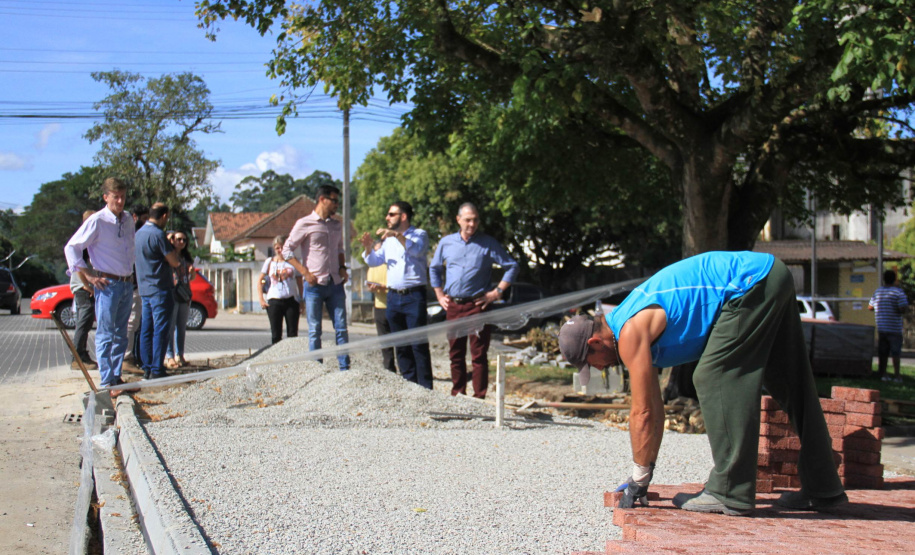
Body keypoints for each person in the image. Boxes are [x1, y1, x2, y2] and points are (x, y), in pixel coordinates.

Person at [558, 251, 846, 516]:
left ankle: (730, 490)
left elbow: (642, 413)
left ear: (596, 342)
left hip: (749, 285)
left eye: (590, 362)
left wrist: (638, 476)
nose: (597, 368)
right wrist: (643, 475)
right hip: (770, 275)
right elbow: (655, 410)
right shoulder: (628, 321)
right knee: (790, 381)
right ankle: (824, 488)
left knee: (712, 374)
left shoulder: (630, 332)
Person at [430, 203, 519, 398]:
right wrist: (438, 294)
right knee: (456, 354)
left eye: (475, 220)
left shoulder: (488, 243)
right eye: (468, 220)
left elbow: (511, 266)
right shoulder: (446, 243)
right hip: (453, 305)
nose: (472, 224)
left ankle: (479, 397)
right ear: (458, 220)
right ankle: (458, 394)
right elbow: (434, 268)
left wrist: (497, 292)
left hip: (477, 305)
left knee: (478, 355)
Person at [63, 177, 135, 389]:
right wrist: (89, 276)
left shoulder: (128, 219)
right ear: (106, 197)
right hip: (108, 283)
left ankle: (116, 375)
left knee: (121, 334)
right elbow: (72, 247)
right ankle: (106, 381)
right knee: (106, 332)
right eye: (115, 197)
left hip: (126, 282)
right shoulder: (97, 220)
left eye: (122, 197)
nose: (120, 201)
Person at [360, 201, 433, 389]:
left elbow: (416, 250)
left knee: (418, 344)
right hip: (393, 298)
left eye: (391, 214)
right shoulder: (388, 241)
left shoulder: (420, 235)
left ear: (403, 216)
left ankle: (425, 390)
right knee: (400, 346)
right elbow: (375, 261)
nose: (387, 218)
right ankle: (409, 387)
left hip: (413, 297)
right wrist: (368, 247)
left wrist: (398, 236)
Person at [282, 185, 350, 370]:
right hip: (314, 285)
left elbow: (340, 249)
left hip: (335, 283)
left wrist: (343, 267)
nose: (337, 205)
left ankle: (344, 369)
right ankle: (316, 370)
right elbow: (287, 250)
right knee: (314, 330)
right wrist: (304, 272)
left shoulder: (336, 225)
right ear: (322, 199)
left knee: (342, 328)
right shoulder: (305, 223)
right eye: (334, 200)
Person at [135, 203, 180, 380]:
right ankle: (157, 368)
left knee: (146, 328)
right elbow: (174, 261)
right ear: (163, 216)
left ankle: (146, 366)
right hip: (159, 287)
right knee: (161, 329)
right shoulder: (158, 235)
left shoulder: (138, 234)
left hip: (144, 287)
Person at [259, 235, 303, 345]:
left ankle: (292, 357)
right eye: (278, 248)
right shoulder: (269, 262)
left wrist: (301, 299)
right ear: (274, 249)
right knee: (276, 334)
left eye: (282, 247)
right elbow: (260, 281)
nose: (280, 250)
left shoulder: (293, 262)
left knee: (292, 334)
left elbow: (299, 281)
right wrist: (261, 300)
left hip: (291, 300)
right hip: (274, 300)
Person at [69, 210, 98, 371]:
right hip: (82, 286)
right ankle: (77, 357)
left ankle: (81, 353)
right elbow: (78, 264)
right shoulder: (82, 241)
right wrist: (87, 285)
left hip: (85, 285)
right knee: (84, 321)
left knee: (85, 322)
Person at [869, 269, 909, 383]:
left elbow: (870, 307)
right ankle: (897, 376)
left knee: (883, 353)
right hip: (894, 328)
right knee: (895, 353)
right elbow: (902, 308)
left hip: (882, 327)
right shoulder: (898, 292)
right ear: (894, 279)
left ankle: (883, 375)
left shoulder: (878, 292)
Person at [123, 203, 149, 373]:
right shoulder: (132, 236)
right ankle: (126, 357)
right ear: (135, 217)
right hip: (132, 285)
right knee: (131, 322)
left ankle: (131, 356)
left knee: (135, 322)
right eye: (144, 218)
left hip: (135, 284)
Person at [165, 230, 196, 368]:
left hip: (184, 294)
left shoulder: (186, 258)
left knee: (181, 327)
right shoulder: (168, 255)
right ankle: (170, 356)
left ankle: (180, 355)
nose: (181, 242)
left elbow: (192, 278)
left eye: (184, 240)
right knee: (170, 327)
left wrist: (192, 273)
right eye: (178, 239)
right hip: (172, 293)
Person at [366, 239, 397, 373]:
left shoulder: (393, 265)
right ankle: (389, 369)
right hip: (379, 306)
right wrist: (372, 288)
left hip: (394, 304)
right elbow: (369, 285)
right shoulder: (372, 267)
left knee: (399, 340)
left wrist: (386, 287)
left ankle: (405, 369)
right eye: (377, 250)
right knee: (384, 341)